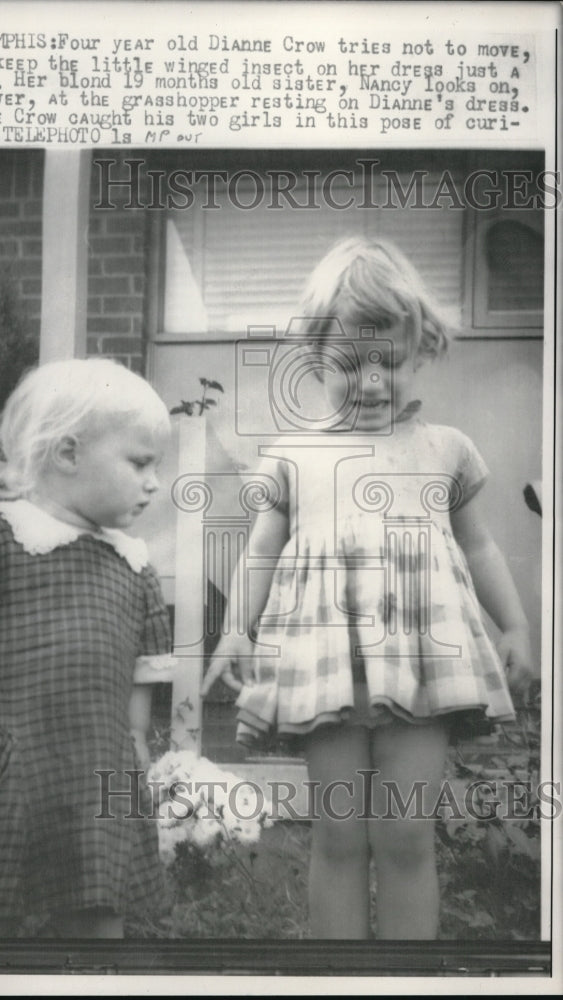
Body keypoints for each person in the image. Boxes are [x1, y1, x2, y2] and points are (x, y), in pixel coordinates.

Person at [201, 237, 535, 939]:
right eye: (349, 365)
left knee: (407, 837)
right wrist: (237, 628)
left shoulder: (445, 449)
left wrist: (515, 628)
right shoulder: (292, 454)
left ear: (417, 352)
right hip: (326, 672)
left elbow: (477, 546)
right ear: (316, 356)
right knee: (339, 837)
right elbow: (260, 547)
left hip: (424, 665)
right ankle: (338, 979)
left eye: (387, 363)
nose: (372, 382)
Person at [0, 358, 174, 938]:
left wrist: (136, 735)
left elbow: (140, 669)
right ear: (68, 454)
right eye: (139, 463)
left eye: (157, 467)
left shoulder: (133, 562)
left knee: (99, 910)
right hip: (14, 762)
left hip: (98, 764)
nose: (153, 483)